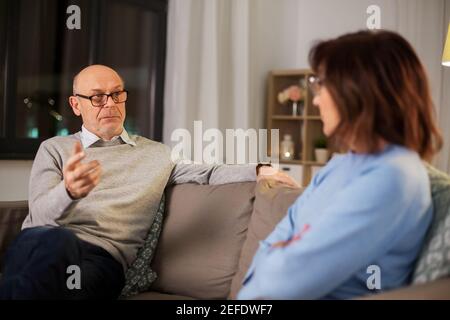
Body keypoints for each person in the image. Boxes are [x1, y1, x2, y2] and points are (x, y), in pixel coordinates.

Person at [0, 65, 294, 300]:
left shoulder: (156, 154)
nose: (110, 104)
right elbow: (38, 217)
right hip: (44, 245)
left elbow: (206, 172)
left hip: (102, 261)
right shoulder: (54, 149)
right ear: (76, 105)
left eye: (117, 94)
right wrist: (68, 192)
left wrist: (259, 169)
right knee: (53, 242)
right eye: (98, 97)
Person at [237, 30, 443, 300]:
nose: (316, 98)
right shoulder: (341, 164)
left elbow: (286, 279)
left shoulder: (394, 177)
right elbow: (274, 244)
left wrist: (282, 255)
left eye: (322, 84)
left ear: (360, 89)